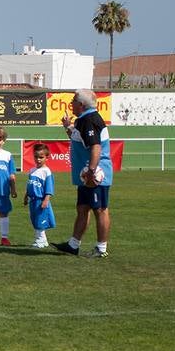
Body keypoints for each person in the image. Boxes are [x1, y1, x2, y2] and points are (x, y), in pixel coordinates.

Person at [56, 89, 113, 258]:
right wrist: (68, 127)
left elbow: (95, 146)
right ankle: (73, 245)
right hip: (86, 174)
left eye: (73, 100)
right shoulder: (83, 120)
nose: (71, 103)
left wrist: (91, 171)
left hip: (94, 175)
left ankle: (101, 249)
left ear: (81, 105)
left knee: (100, 209)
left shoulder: (89, 120)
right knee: (82, 208)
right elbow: (79, 137)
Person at [25, 142, 56, 249]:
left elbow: (49, 188)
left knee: (40, 220)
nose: (38, 159)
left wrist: (46, 200)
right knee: (34, 219)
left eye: (41, 157)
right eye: (36, 157)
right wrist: (26, 196)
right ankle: (43, 240)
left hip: (40, 200)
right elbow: (29, 185)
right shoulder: (32, 171)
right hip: (32, 200)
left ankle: (40, 241)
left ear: (47, 158)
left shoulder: (47, 172)